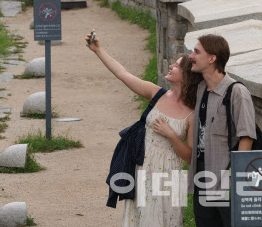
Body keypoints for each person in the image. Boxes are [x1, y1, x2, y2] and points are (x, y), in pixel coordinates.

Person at [85, 31, 203, 227]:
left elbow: (190, 157)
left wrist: (171, 135)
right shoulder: (157, 94)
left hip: (169, 175)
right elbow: (123, 74)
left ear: (187, 76)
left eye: (176, 65)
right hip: (143, 166)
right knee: (139, 219)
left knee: (167, 221)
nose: (171, 66)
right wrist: (98, 50)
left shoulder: (192, 113)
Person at [187, 34, 257, 227]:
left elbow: (247, 136)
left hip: (226, 181)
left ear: (212, 58)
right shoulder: (201, 89)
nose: (191, 56)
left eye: (196, 52)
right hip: (202, 178)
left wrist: (237, 180)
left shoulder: (237, 92)